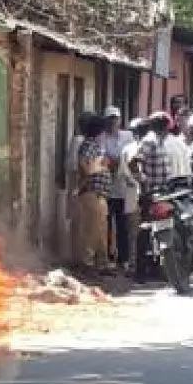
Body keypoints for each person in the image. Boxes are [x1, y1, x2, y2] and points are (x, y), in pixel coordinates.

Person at [74, 113, 116, 274]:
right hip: (92, 192)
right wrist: (102, 165)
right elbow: (86, 168)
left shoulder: (96, 146)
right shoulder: (89, 146)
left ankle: (102, 264)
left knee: (101, 231)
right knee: (92, 230)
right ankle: (88, 263)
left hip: (100, 194)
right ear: (100, 132)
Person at [98, 107, 134, 271]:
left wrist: (117, 162)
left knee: (123, 225)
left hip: (123, 188)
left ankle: (124, 259)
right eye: (110, 119)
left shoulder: (127, 137)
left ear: (120, 120)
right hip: (106, 187)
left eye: (115, 118)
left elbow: (130, 157)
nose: (113, 122)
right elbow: (102, 160)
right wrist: (112, 162)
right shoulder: (101, 138)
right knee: (106, 225)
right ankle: (107, 258)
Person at [115, 116, 149, 272]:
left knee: (134, 232)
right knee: (140, 231)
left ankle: (135, 265)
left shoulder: (128, 149)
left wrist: (133, 180)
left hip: (133, 194)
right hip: (143, 194)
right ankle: (139, 265)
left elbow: (122, 173)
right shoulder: (150, 147)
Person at [66, 111, 99, 262]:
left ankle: (82, 260)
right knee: (84, 226)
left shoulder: (83, 143)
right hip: (85, 186)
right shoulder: (86, 143)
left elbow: (83, 168)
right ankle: (82, 260)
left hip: (83, 186)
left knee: (82, 226)